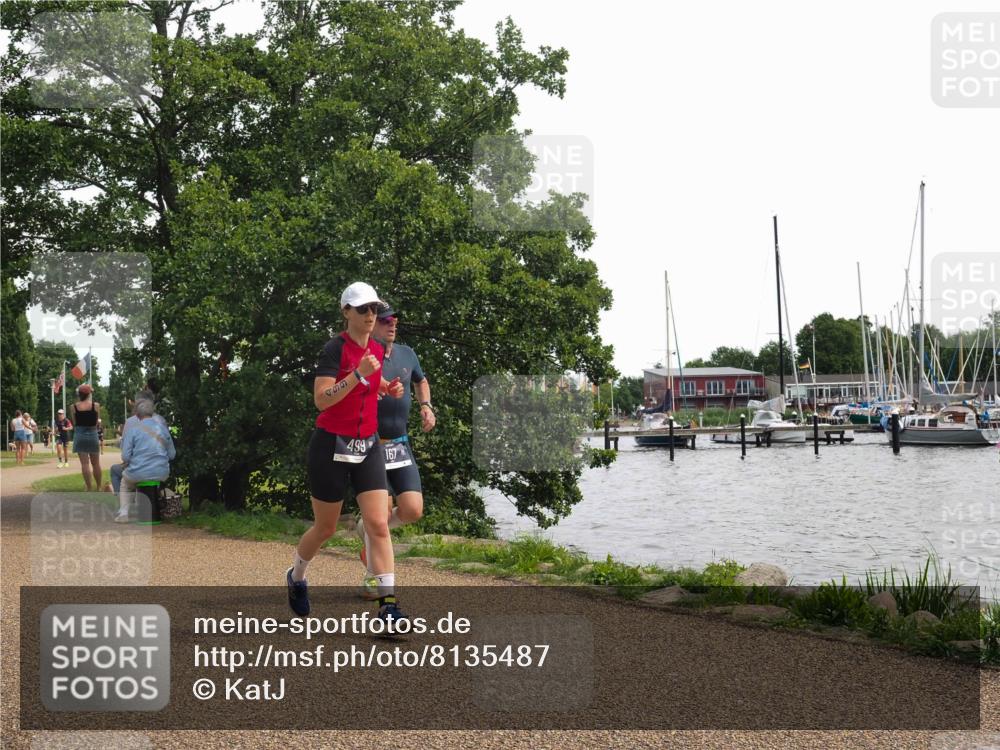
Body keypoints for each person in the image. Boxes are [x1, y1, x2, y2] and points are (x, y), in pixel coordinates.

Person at [287, 281, 406, 625]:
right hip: (330, 445)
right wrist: (357, 375)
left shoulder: (378, 348)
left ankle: (388, 607)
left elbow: (371, 384)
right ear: (346, 312)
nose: (371, 315)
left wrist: (386, 386)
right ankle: (296, 577)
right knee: (325, 528)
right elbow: (322, 399)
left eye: (374, 309)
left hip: (367, 444)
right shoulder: (333, 350)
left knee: (379, 524)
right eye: (363, 309)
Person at [356, 304, 435, 598]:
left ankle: (367, 530)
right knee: (382, 515)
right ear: (374, 324)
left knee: (413, 510)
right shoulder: (365, 356)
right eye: (386, 320)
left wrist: (426, 406)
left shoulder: (407, 353)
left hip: (400, 445)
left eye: (395, 320)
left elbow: (421, 379)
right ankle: (373, 578)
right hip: (371, 445)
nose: (392, 324)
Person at [116, 399, 176, 523]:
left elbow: (125, 457)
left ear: (137, 415)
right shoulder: (163, 429)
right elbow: (172, 455)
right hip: (161, 472)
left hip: (138, 472)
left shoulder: (133, 430)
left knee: (125, 483)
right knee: (150, 480)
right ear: (153, 413)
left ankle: (123, 513)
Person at [108, 388, 166, 497]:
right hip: (159, 469)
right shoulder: (160, 420)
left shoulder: (130, 422)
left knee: (115, 470)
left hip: (139, 470)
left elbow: (125, 454)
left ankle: (122, 505)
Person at [72, 384, 103, 490]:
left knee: (85, 464)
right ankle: (98, 486)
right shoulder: (96, 405)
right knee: (96, 463)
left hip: (80, 435)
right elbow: (97, 421)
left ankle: (89, 487)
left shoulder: (73, 407)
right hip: (93, 433)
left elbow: (75, 422)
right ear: (89, 394)